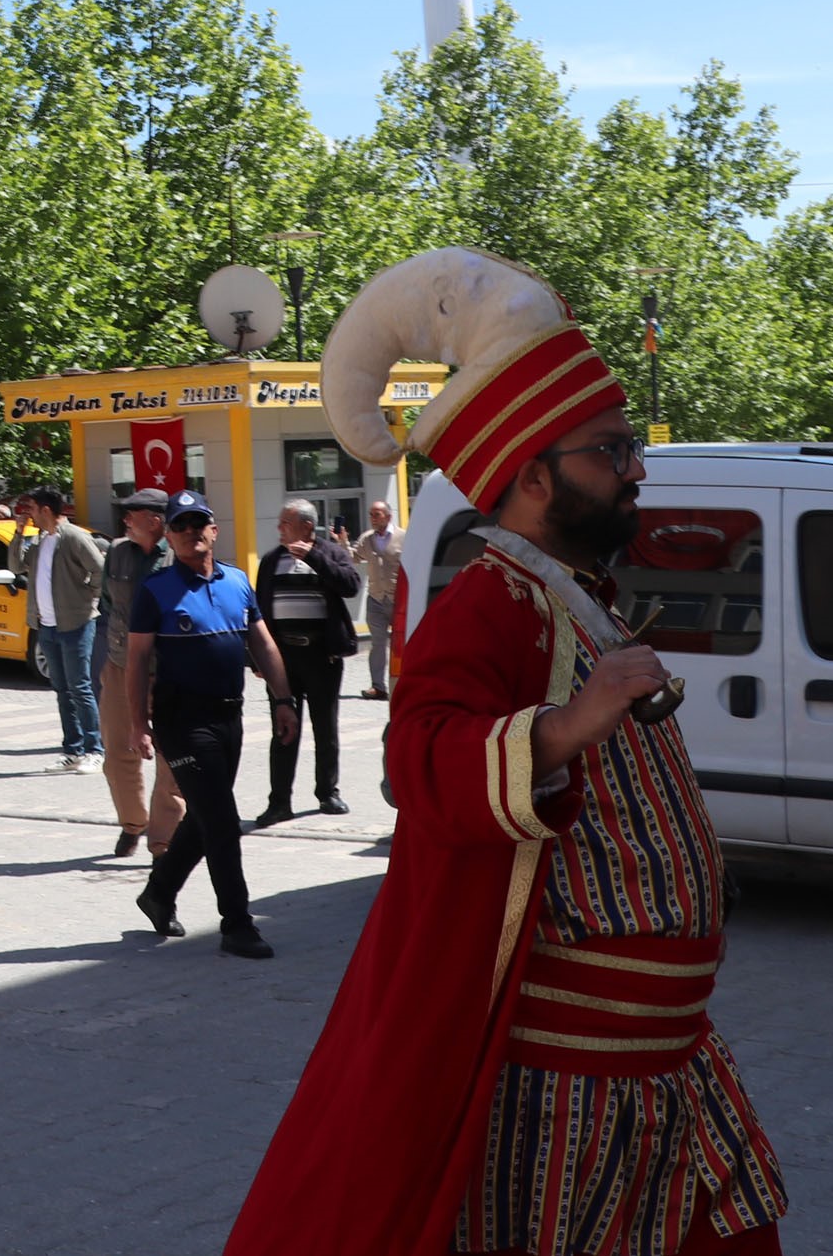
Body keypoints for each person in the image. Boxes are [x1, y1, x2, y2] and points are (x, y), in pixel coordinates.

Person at [224, 246, 787, 1255]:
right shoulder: (491, 603)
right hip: (573, 1087)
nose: (637, 470)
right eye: (610, 451)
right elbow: (422, 763)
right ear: (533, 474)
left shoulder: (574, 598)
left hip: (660, 1066)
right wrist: (568, 727)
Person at [124, 490, 292, 959]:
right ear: (168, 535)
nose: (191, 532)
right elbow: (137, 662)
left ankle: (157, 893)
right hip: (182, 719)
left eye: (200, 523)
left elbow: (263, 645)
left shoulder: (237, 582)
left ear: (214, 530)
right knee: (221, 821)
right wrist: (138, 724)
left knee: (205, 815)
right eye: (181, 526)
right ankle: (237, 924)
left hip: (228, 716)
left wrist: (283, 700)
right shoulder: (155, 590)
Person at [255, 499, 362, 824]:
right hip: (283, 658)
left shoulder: (329, 553)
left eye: (285, 523)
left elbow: (351, 586)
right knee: (283, 729)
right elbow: (258, 609)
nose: (279, 529)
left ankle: (327, 793)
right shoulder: (272, 560)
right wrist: (258, 658)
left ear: (305, 526)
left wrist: (313, 557)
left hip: (321, 656)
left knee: (325, 728)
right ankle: (279, 802)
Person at [97, 488, 176, 858]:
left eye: (133, 515)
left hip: (166, 670)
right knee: (116, 752)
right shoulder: (116, 552)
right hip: (119, 665)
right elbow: (107, 605)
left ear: (156, 521)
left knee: (170, 755)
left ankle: (164, 841)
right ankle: (133, 823)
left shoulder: (179, 557)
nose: (125, 521)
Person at [13, 486, 105, 773]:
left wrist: (86, 595)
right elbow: (16, 565)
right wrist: (18, 533)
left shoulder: (75, 537)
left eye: (32, 509)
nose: (29, 515)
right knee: (62, 689)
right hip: (46, 624)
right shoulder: (40, 540)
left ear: (46, 510)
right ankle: (72, 751)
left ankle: (94, 750)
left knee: (80, 688)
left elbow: (101, 569)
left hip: (75, 622)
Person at [354, 499, 404, 700]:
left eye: (377, 514)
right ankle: (378, 686)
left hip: (399, 600)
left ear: (388, 516)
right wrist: (340, 542)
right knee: (377, 643)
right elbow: (353, 557)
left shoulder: (404, 537)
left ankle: (405, 684)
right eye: (371, 514)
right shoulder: (367, 539)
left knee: (403, 643)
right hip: (375, 599)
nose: (373, 518)